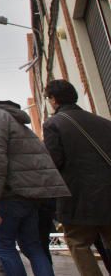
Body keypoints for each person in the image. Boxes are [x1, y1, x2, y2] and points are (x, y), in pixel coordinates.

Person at [0, 79, 68, 276]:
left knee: (4, 246)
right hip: (27, 193)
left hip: (9, 193)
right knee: (32, 247)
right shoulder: (7, 115)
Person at [41, 79, 111, 276]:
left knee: (78, 244)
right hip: (109, 196)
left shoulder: (53, 124)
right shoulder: (104, 123)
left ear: (54, 99)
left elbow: (54, 162)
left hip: (78, 199)